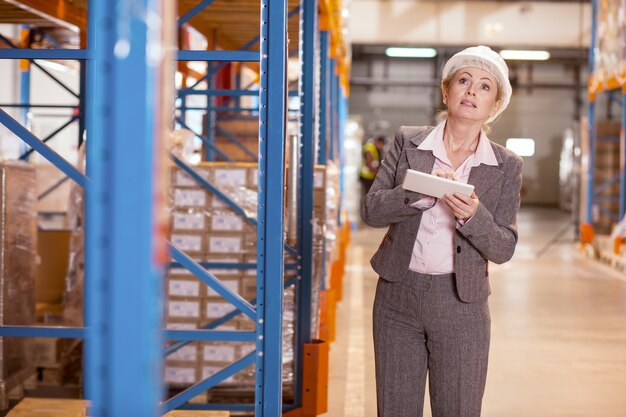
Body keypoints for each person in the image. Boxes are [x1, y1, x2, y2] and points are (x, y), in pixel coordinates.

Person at [360, 45, 523, 417]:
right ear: (446, 91)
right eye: (463, 81)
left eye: (484, 87)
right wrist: (413, 195)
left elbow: (504, 248)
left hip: (461, 305)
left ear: (494, 105)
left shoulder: (505, 165)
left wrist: (474, 216)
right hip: (397, 297)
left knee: (458, 409)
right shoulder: (409, 142)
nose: (471, 92)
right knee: (396, 408)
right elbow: (371, 210)